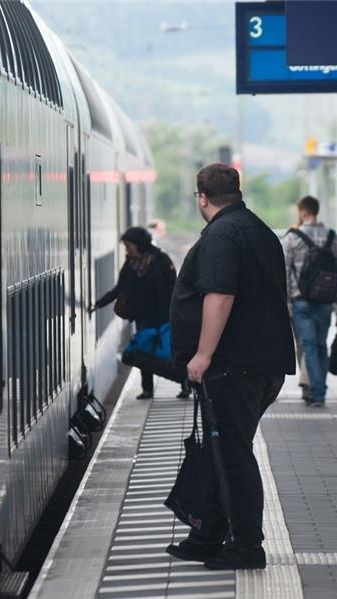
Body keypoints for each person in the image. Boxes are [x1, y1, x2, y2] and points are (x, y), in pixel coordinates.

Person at [166, 163, 295, 570]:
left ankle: (247, 546)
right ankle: (208, 535)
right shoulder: (258, 229)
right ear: (236, 192)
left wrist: (202, 355)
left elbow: (220, 295)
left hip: (234, 366)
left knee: (233, 454)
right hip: (259, 363)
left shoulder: (223, 234)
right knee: (222, 451)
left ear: (202, 197)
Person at [94, 226, 190, 399]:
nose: (127, 249)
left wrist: (177, 313)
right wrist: (99, 304)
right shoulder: (129, 265)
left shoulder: (161, 260)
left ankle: (185, 384)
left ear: (139, 244)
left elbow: (174, 288)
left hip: (164, 316)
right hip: (143, 317)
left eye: (128, 246)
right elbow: (119, 288)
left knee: (170, 352)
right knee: (144, 352)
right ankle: (147, 389)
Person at [282, 195, 337, 407]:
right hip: (325, 300)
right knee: (321, 345)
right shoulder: (332, 236)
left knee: (310, 346)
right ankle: (319, 389)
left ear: (302, 212)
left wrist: (286, 302)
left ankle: (317, 394)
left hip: (301, 300)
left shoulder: (292, 237)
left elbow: (285, 271)